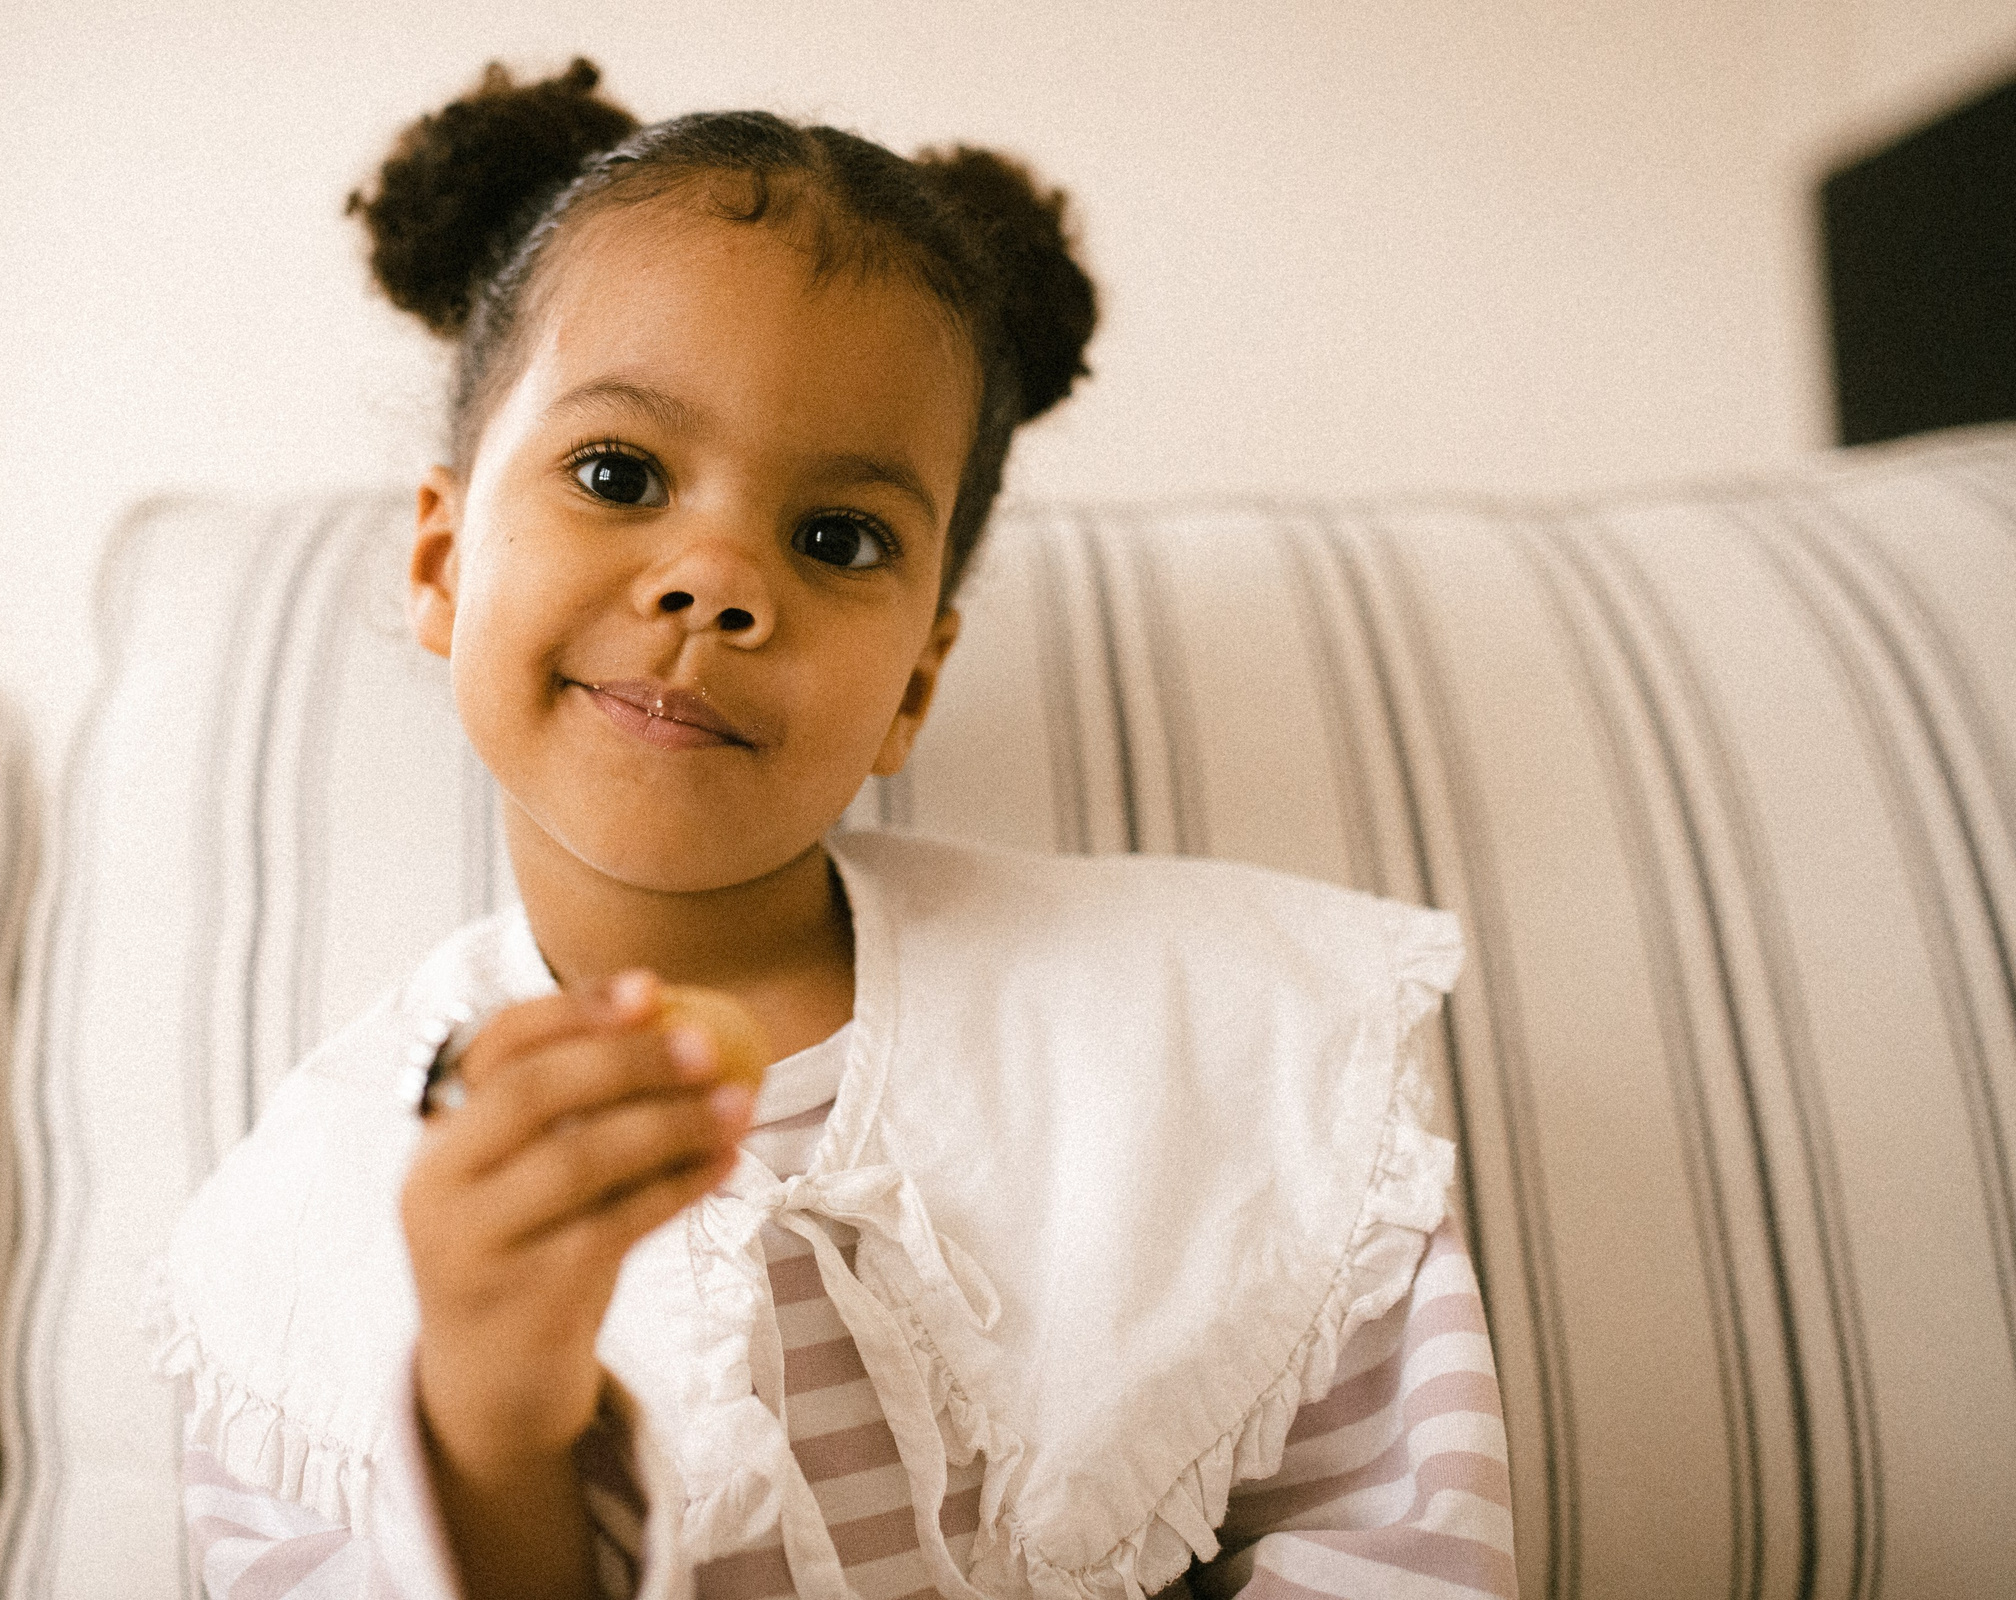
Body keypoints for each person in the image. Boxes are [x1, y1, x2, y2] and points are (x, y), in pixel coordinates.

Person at [154, 59, 1515, 1600]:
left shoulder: (1224, 1040)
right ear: (442, 561)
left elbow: (1399, 1543)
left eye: (836, 537)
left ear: (915, 679)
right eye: (619, 474)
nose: (718, 577)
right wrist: (488, 1426)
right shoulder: (299, 1226)